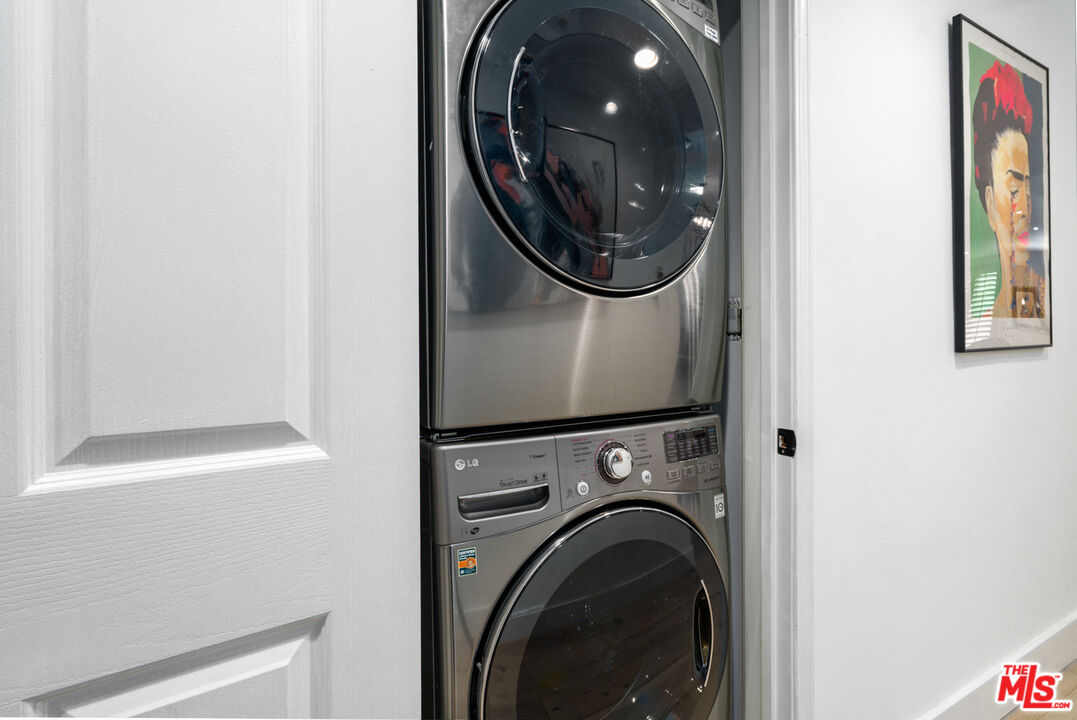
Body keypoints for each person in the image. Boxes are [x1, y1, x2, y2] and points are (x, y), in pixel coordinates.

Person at [971, 60, 1045, 319]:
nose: (1024, 210)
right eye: (1013, 191)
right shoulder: (985, 323)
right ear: (990, 204)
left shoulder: (1040, 305)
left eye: (1027, 191)